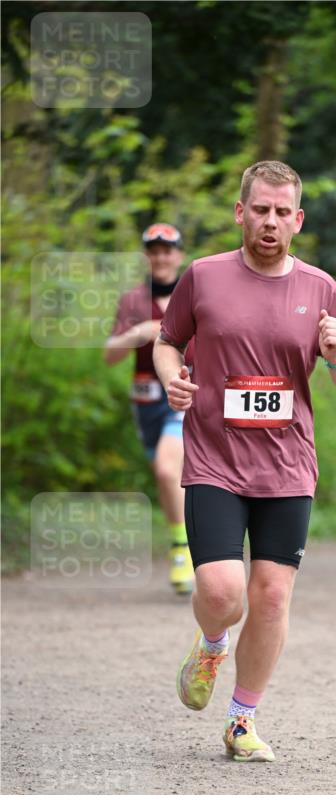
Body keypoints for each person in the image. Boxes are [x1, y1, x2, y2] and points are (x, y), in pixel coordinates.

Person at [153, 160, 336, 762]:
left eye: (282, 212)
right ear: (240, 212)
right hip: (216, 458)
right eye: (260, 209)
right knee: (223, 593)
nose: (270, 221)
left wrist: (334, 355)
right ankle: (213, 641)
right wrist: (173, 380)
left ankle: (242, 721)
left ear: (297, 220)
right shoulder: (203, 277)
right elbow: (167, 342)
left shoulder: (321, 289)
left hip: (287, 464)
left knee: (271, 597)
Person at [105, 223, 194, 595]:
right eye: (154, 250)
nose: (161, 257)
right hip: (145, 403)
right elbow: (111, 356)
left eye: (168, 250)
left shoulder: (193, 295)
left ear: (179, 255)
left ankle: (182, 548)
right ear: (147, 255)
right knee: (170, 477)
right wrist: (138, 332)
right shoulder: (132, 301)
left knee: (165, 467)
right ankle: (199, 537)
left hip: (182, 392)